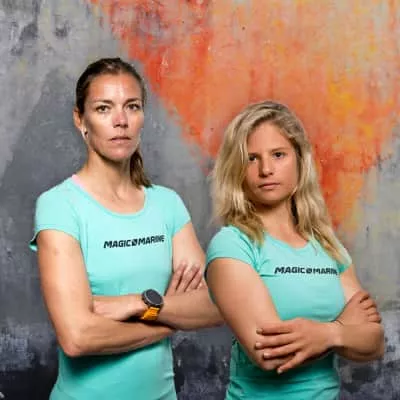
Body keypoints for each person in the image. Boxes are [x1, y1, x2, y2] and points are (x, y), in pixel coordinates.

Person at [29, 57, 221, 400]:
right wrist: (163, 314)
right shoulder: (59, 205)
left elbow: (216, 306)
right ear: (80, 119)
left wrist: (136, 306)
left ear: (143, 115)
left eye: (132, 106)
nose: (121, 121)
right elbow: (77, 337)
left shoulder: (167, 204)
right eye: (103, 108)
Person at [205, 100, 384, 399]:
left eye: (278, 155)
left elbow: (375, 342)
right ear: (237, 168)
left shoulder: (327, 245)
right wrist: (343, 328)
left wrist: (328, 334)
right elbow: (270, 354)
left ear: (300, 160)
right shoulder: (233, 244)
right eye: (251, 158)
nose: (266, 169)